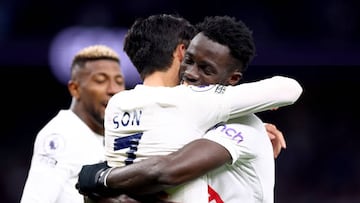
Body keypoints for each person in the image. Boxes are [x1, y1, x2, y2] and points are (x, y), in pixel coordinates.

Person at [77, 14, 302, 202]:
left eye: (206, 69)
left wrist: (99, 176)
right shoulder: (183, 116)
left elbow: (165, 172)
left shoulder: (242, 126)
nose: (191, 73)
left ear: (232, 80)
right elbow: (109, 188)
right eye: (189, 60)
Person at [20, 45, 126, 203]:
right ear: (75, 89)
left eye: (119, 82)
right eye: (101, 80)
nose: (113, 89)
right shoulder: (61, 135)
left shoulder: (116, 136)